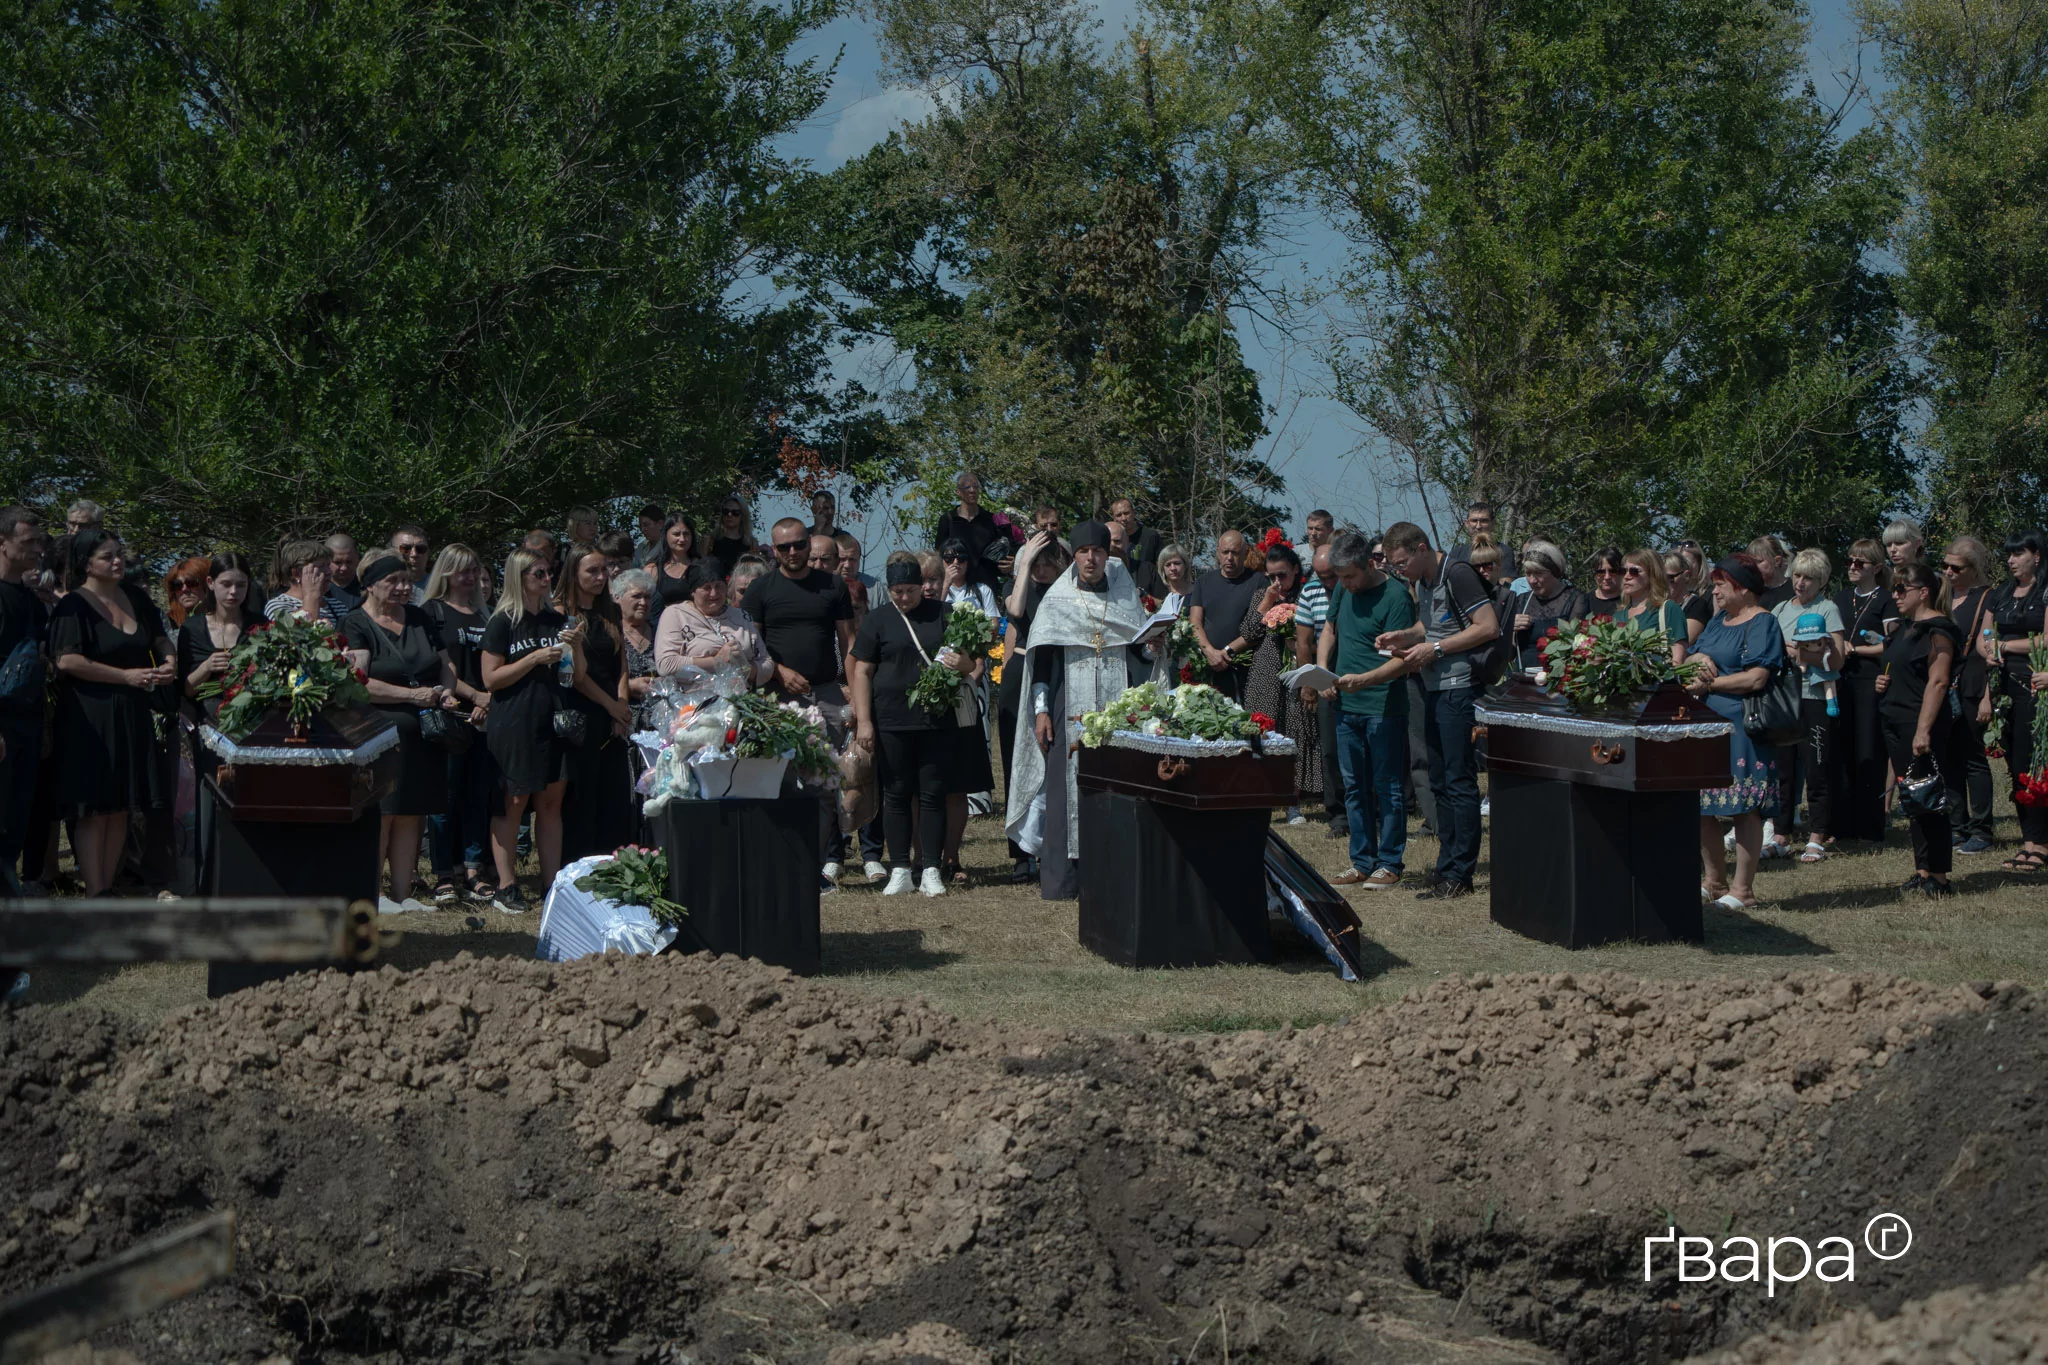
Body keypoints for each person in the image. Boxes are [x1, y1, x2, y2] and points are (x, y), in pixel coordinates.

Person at [1006, 522, 1146, 900]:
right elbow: (1043, 661)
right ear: (1076, 556)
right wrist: (1041, 711)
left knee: (1117, 787)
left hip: (1118, 706)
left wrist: (1153, 646)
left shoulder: (1124, 597)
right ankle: (1064, 881)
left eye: (1098, 551)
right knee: (1064, 792)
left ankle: (1114, 875)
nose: (1091, 558)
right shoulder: (1058, 600)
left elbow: (1140, 651)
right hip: (1067, 705)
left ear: (1107, 554)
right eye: (1083, 551)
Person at [1375, 522, 1499, 899]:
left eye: (1402, 563)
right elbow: (1431, 626)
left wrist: (1436, 649)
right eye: (1394, 566)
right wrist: (1407, 636)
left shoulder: (1457, 574)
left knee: (1459, 780)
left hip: (1460, 688)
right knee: (1440, 779)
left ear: (1421, 548)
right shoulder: (1425, 581)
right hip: (1435, 688)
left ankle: (1461, 873)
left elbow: (1488, 626)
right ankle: (1447, 865)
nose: (1400, 571)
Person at [50, 531, 176, 896]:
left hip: (132, 712)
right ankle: (95, 892)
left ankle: (107, 890)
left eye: (119, 554)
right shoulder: (73, 605)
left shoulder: (136, 597)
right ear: (87, 564)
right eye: (108, 557)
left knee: (123, 804)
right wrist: (125, 676)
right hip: (90, 716)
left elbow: (159, 637)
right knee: (95, 808)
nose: (118, 561)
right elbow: (67, 660)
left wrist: (169, 661)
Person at [342, 552, 464, 910]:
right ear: (370, 586)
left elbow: (446, 664)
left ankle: (402, 895)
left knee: (413, 810)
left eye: (407, 581)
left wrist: (446, 692)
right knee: (383, 812)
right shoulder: (354, 622)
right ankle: (374, 894)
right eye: (393, 581)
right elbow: (359, 684)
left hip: (424, 733)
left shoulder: (420, 617)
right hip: (378, 733)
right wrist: (412, 695)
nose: (403, 587)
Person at [851, 554, 973, 897]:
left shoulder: (945, 614)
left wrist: (962, 662)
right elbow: (862, 670)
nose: (904, 597)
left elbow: (970, 662)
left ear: (922, 587)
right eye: (897, 591)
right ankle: (900, 869)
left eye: (910, 590)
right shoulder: (877, 619)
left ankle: (931, 869)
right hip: (891, 719)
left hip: (937, 721)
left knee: (932, 793)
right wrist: (864, 721)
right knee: (896, 794)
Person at [1686, 554, 1785, 909]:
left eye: (1720, 585)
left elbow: (1757, 677)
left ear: (1742, 588)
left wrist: (1710, 686)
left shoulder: (1762, 623)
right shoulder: (1718, 621)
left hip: (1742, 726)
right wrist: (1697, 661)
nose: (1714, 592)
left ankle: (1743, 890)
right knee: (1704, 806)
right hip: (1707, 725)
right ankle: (1714, 881)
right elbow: (1690, 655)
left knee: (1744, 807)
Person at [1317, 530, 1415, 887]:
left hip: (1383, 707)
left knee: (1387, 786)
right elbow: (1329, 630)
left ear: (1370, 564)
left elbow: (1402, 660)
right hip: (1346, 707)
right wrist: (1323, 671)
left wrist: (1365, 680)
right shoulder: (1344, 589)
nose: (1344, 584)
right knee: (1354, 786)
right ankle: (1361, 861)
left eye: (1349, 576)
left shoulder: (1396, 596)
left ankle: (1389, 863)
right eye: (1340, 577)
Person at [479, 548, 572, 914]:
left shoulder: (556, 619)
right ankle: (506, 887)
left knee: (551, 803)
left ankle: (552, 886)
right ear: (519, 578)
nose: (547, 579)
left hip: (552, 718)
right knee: (513, 802)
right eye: (539, 574)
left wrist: (574, 650)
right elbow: (491, 679)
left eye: (549, 573)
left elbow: (572, 674)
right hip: (514, 721)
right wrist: (533, 658)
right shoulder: (503, 621)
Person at [1870, 561, 1960, 896]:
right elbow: (1899, 669)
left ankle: (1939, 876)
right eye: (1894, 588)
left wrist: (1923, 731)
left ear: (1923, 592)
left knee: (1930, 799)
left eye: (1900, 589)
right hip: (1895, 720)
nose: (1895, 595)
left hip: (1919, 723)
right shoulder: (1904, 629)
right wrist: (1883, 682)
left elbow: (1938, 682)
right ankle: (1922, 870)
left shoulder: (1939, 630)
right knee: (1914, 800)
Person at [177, 551, 260, 891]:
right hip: (207, 729)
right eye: (226, 584)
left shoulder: (258, 627)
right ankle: (205, 883)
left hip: (250, 728)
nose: (233, 592)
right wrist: (205, 668)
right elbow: (185, 688)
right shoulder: (193, 628)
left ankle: (244, 882)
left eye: (241, 585)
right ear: (211, 583)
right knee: (208, 806)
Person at [420, 544, 498, 902]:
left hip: (485, 717)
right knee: (444, 797)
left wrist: (488, 699)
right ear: (446, 572)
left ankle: (473, 869)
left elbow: (497, 664)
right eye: (462, 570)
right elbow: (440, 665)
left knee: (477, 795)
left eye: (473, 570)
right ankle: (442, 873)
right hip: (450, 715)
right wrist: (475, 696)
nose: (469, 577)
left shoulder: (486, 614)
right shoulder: (432, 612)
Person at [552, 545, 633, 864]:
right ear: (574, 573)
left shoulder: (610, 610)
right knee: (581, 800)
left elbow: (622, 665)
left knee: (613, 798)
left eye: (604, 570)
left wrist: (621, 708)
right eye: (593, 571)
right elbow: (573, 674)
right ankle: (579, 868)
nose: (601, 577)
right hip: (580, 713)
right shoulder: (561, 613)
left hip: (613, 716)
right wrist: (611, 706)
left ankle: (612, 866)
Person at [1769, 549, 1847, 862]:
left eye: (1809, 578)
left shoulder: (1827, 609)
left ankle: (1817, 835)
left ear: (1822, 581)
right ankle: (1781, 835)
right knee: (1782, 771)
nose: (1801, 583)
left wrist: (1799, 654)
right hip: (1782, 697)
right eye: (1798, 575)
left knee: (1816, 768)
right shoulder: (1779, 608)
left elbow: (1837, 660)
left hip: (1814, 697)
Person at [1240, 541, 1319, 823]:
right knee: (1263, 733)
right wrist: (1267, 603)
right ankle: (1261, 797)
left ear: (1296, 570)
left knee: (1296, 733)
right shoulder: (1262, 595)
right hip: (1266, 672)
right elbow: (1248, 632)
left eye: (1282, 575)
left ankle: (1292, 802)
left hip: (1297, 670)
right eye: (1271, 575)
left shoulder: (1307, 595)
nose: (1277, 581)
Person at [1986, 529, 2048, 871]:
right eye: (2008, 554)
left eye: (2018, 553)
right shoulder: (2002, 593)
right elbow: (1985, 635)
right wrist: (1988, 650)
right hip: (2004, 688)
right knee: (2015, 764)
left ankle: (2042, 843)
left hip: (2036, 686)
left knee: (2036, 763)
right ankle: (2028, 842)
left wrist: (2005, 646)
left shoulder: (2046, 591)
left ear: (2036, 556)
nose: (2011, 560)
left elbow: (2046, 640)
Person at [1833, 539, 1899, 843]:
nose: (1852, 567)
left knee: (1869, 750)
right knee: (1843, 750)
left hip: (1870, 681)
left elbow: (1892, 644)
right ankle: (1843, 824)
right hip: (1841, 679)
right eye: (1850, 561)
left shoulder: (1886, 599)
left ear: (1877, 567)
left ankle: (1871, 825)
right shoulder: (1841, 597)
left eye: (1860, 563)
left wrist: (1855, 649)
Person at [0, 508, 48, 894]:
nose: (37, 548)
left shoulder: (31, 601)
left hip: (28, 722)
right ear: (2, 543)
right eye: (27, 541)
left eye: (39, 541)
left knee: (16, 817)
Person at [1942, 536, 1996, 854]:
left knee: (1974, 758)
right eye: (1945, 565)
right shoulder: (1943, 596)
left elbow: (1990, 652)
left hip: (1973, 685)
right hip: (1943, 686)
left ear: (1973, 568)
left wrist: (1987, 696)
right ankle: (1956, 826)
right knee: (1949, 758)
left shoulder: (1987, 597)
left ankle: (1982, 830)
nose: (1948, 572)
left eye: (1956, 567)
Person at [1296, 543, 1347, 837]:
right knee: (1330, 749)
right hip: (1324, 672)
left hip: (1357, 670)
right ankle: (1337, 814)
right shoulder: (1310, 591)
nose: (1327, 583)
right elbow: (1303, 642)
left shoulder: (1354, 587)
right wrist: (1310, 684)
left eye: (1332, 576)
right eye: (1321, 576)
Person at [655, 559, 774, 684]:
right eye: (706, 588)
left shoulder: (741, 616)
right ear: (693, 591)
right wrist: (717, 661)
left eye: (718, 586)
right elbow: (665, 665)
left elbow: (767, 663)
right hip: (694, 694)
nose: (714, 593)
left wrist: (745, 667)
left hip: (740, 693)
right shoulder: (676, 614)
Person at [1188, 531, 1268, 700]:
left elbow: (1260, 626)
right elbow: (1195, 622)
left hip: (1245, 668)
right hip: (1209, 667)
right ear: (1218, 553)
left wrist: (1227, 652)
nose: (1229, 558)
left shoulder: (1259, 582)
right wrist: (1210, 652)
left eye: (1235, 552)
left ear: (1245, 553)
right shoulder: (1203, 581)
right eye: (1225, 552)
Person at [1509, 540, 1591, 670]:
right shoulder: (1521, 601)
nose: (1532, 580)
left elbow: (1577, 648)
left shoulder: (1576, 600)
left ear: (1554, 572)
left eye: (1538, 573)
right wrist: (1510, 631)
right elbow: (1508, 655)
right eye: (1528, 574)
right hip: (1522, 676)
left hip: (1557, 676)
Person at [934, 473, 1011, 590]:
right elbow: (939, 553)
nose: (972, 490)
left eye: (975, 487)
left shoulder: (991, 519)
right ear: (958, 492)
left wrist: (1011, 564)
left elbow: (1004, 550)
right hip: (956, 586)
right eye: (967, 487)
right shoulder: (948, 519)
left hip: (987, 584)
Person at [1618, 549, 1688, 666]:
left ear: (1652, 575)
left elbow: (1677, 660)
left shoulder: (1668, 609)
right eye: (1623, 571)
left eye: (1634, 571)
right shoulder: (1617, 616)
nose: (1627, 576)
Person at [611, 569, 660, 713]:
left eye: (647, 597)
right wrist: (629, 685)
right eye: (636, 596)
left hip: (661, 713)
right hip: (622, 713)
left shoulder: (661, 632)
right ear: (617, 597)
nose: (643, 602)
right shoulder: (610, 634)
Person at [264, 539, 344, 622]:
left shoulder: (337, 605)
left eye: (328, 565)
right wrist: (312, 595)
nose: (328, 572)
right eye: (320, 567)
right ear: (296, 574)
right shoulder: (278, 606)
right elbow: (299, 629)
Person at [649, 514, 699, 614]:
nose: (682, 539)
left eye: (686, 534)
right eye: (676, 534)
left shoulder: (702, 567)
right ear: (665, 535)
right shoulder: (653, 570)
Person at [1109, 497, 1163, 570]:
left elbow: (1161, 564)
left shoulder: (1151, 536)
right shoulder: (1110, 540)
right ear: (1114, 518)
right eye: (1119, 515)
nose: (1123, 518)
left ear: (1134, 513)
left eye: (1126, 513)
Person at [710, 496, 758, 571]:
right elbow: (701, 568)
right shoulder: (710, 540)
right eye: (726, 511)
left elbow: (754, 571)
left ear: (742, 516)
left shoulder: (751, 544)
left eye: (735, 513)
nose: (729, 515)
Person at [390, 525, 432, 605]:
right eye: (405, 549)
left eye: (420, 549)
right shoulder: (381, 587)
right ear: (391, 552)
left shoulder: (441, 586)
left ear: (428, 553)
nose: (414, 554)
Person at [163, 557, 210, 628]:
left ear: (208, 584)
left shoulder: (225, 620)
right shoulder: (166, 623)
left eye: (191, 583)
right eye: (177, 585)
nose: (184, 589)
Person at [327, 534, 364, 613]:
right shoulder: (320, 589)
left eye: (349, 562)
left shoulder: (367, 587)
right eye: (338, 562)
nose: (343, 568)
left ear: (357, 559)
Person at [1155, 543, 1194, 618]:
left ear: (1185, 565)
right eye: (1168, 565)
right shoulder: (1159, 593)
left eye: (1177, 563)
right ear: (1163, 569)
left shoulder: (1198, 591)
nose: (1173, 568)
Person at [1586, 547, 1625, 618]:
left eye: (1613, 571)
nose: (1607, 577)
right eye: (1601, 572)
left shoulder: (1630, 602)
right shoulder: (1584, 602)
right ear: (1594, 574)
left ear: (1622, 572)